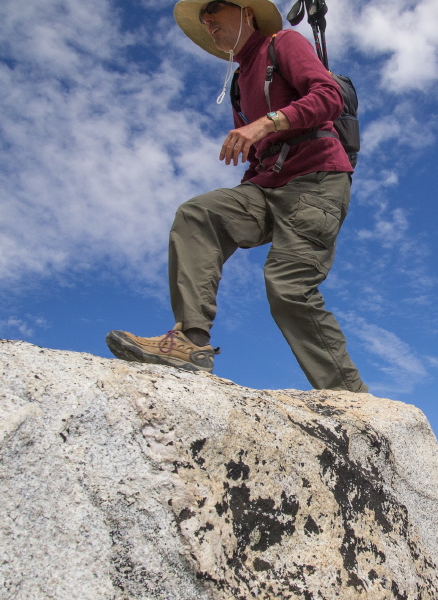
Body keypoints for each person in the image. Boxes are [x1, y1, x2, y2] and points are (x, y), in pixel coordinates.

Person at [106, 0, 368, 393]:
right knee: (199, 214)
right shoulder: (238, 86)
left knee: (288, 287)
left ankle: (351, 400)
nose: (207, 20)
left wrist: (267, 123)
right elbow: (256, 154)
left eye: (214, 8)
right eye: (202, 17)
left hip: (316, 181)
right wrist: (250, 179)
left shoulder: (285, 44)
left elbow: (328, 95)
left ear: (246, 11)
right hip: (267, 186)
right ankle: (191, 342)